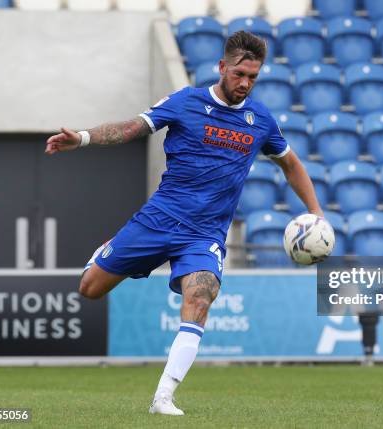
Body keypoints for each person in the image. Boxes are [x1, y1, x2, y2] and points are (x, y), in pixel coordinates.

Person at [45, 31, 323, 416]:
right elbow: (133, 128)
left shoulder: (260, 120)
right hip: (160, 219)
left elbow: (290, 163)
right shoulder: (185, 102)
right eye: (240, 73)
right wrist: (85, 138)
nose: (245, 83)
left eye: (253, 77)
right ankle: (106, 253)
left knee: (200, 296)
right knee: (90, 288)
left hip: (204, 234)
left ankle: (163, 397)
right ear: (222, 67)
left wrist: (316, 212)